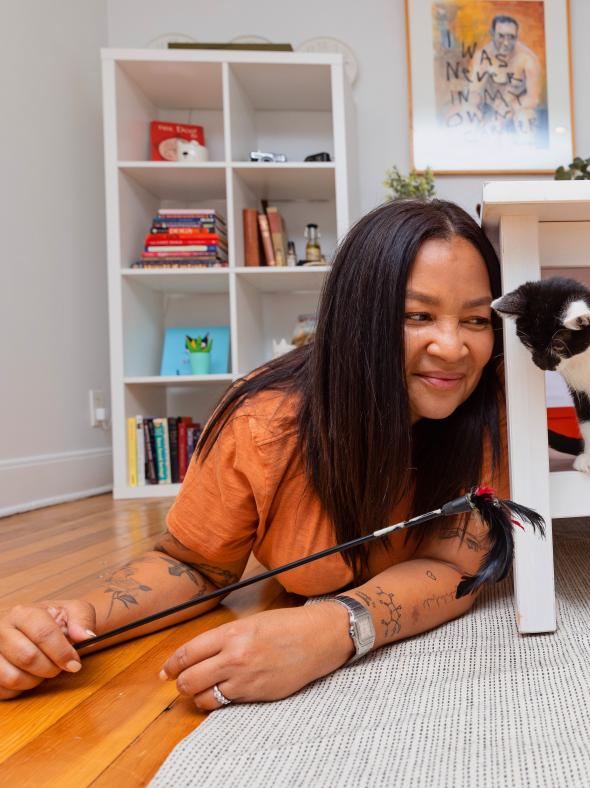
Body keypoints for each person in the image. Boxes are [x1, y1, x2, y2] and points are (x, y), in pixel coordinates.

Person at [0, 199, 509, 709]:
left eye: (476, 320)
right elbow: (195, 566)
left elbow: (453, 564)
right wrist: (74, 616)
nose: (452, 347)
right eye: (417, 315)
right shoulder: (262, 422)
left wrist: (332, 629)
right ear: (358, 319)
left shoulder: (496, 407)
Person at [468, 14, 543, 138]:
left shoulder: (527, 58)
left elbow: (533, 97)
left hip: (517, 109)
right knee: (468, 117)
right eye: (501, 36)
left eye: (511, 37)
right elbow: (474, 91)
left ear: (517, 37)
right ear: (492, 34)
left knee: (526, 118)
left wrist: (506, 111)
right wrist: (475, 111)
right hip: (488, 110)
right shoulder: (482, 56)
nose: (506, 42)